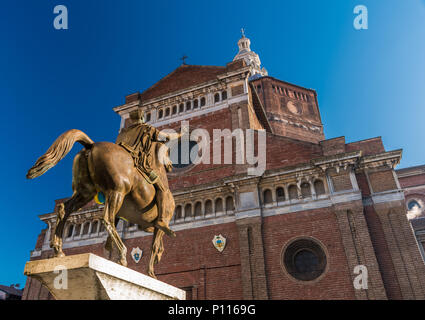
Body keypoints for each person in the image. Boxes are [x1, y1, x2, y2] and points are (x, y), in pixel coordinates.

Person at [116, 108, 184, 236]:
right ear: (142, 118)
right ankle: (162, 220)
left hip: (122, 167)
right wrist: (180, 135)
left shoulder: (123, 133)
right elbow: (167, 137)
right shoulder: (147, 129)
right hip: (141, 166)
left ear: (131, 119)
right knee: (163, 189)